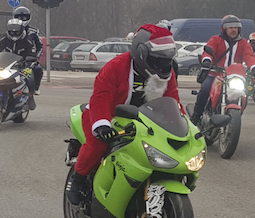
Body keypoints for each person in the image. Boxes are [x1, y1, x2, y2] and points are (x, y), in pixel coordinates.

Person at [64, 24, 180, 204]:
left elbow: (172, 100)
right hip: (106, 116)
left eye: (167, 60)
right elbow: (100, 98)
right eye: (158, 60)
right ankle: (77, 180)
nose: (163, 65)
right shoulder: (115, 67)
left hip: (145, 122)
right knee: (98, 145)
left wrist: (183, 124)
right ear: (142, 54)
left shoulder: (167, 73)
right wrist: (102, 124)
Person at [192, 15, 255, 121]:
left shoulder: (244, 43)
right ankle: (196, 117)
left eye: (236, 27)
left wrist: (254, 68)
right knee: (205, 89)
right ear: (224, 29)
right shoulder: (216, 39)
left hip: (235, 76)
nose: (233, 30)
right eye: (230, 27)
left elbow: (249, 56)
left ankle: (235, 116)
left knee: (245, 93)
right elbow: (208, 51)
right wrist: (207, 61)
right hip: (215, 74)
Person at [0, 18, 40, 107]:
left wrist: (29, 63)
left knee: (30, 77)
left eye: (17, 32)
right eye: (12, 32)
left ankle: (30, 97)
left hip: (22, 65)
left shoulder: (27, 41)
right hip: (6, 65)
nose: (14, 34)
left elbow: (32, 53)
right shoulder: (4, 39)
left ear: (21, 30)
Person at [13, 6, 43, 95]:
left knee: (37, 69)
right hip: (13, 57)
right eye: (18, 17)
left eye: (23, 18)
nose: (21, 20)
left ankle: (35, 89)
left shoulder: (33, 32)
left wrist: (36, 57)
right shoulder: (11, 30)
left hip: (29, 58)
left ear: (28, 18)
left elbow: (40, 46)